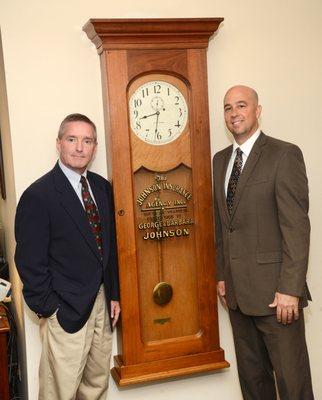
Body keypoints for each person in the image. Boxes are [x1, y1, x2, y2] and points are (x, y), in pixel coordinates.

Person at [213, 85, 314, 400]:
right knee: (253, 385)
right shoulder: (219, 161)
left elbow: (296, 227)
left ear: (257, 110)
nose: (234, 113)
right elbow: (222, 226)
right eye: (228, 107)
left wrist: (290, 290)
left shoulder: (284, 154)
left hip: (277, 298)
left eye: (242, 106)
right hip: (237, 296)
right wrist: (221, 275)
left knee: (292, 385)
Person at [15, 113, 120, 400]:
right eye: (72, 139)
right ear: (59, 143)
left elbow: (108, 248)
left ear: (94, 147)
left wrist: (114, 294)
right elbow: (28, 262)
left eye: (87, 141)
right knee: (59, 392)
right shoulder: (39, 195)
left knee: (96, 386)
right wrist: (50, 310)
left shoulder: (102, 188)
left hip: (102, 307)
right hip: (65, 311)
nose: (79, 147)